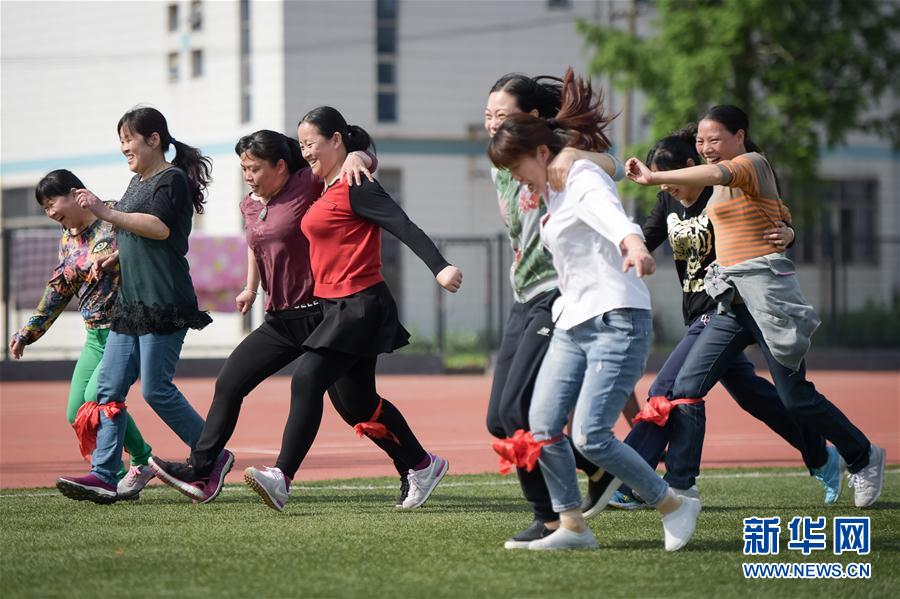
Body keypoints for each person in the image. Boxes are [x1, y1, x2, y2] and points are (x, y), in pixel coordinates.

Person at [626, 105, 885, 508]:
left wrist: (653, 175)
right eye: (701, 140)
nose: (708, 148)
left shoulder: (749, 164)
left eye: (715, 140)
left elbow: (721, 176)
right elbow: (774, 215)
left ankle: (862, 454)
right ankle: (678, 487)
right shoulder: (694, 193)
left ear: (740, 136)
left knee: (794, 398)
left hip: (767, 299)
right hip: (727, 304)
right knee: (690, 390)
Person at [488, 68, 700, 551]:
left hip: (616, 321)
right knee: (542, 426)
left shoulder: (577, 175)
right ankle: (573, 527)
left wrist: (634, 244)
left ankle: (672, 503)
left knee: (591, 435)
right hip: (572, 322)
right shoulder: (554, 190)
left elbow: (611, 213)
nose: (518, 180)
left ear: (542, 154)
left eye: (519, 169)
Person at [149, 131, 415, 505]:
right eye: (244, 168)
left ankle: (413, 465)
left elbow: (353, 141)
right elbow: (256, 246)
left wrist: (360, 156)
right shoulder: (250, 204)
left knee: (355, 406)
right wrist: (250, 287)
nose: (248, 175)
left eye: (255, 168)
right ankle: (203, 469)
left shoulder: (307, 182)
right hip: (280, 319)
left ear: (281, 166)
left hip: (324, 315)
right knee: (230, 382)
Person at [592, 130, 839, 513]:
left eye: (671, 177)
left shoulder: (721, 192)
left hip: (725, 308)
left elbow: (772, 213)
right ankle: (822, 456)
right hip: (698, 315)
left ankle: (630, 480)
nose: (668, 186)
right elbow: (643, 237)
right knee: (755, 397)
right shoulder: (667, 202)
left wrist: (788, 233)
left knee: (667, 388)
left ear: (692, 168)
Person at [241, 107, 462, 512]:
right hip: (334, 306)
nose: (305, 151)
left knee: (306, 379)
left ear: (337, 140)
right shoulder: (325, 187)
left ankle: (282, 477)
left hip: (360, 305)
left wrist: (440, 267)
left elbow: (404, 225)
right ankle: (421, 464)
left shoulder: (356, 184)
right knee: (357, 405)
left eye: (312, 143)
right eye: (302, 143)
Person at [483, 72, 637, 549]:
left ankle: (552, 519)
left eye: (503, 116)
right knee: (498, 418)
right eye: (487, 116)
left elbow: (611, 166)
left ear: (531, 119)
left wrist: (570, 153)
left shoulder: (559, 154)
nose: (492, 124)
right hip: (524, 295)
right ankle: (595, 467)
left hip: (558, 292)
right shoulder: (501, 161)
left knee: (517, 411)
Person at [56, 106, 219, 504]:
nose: (124, 148)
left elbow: (159, 228)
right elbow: (136, 233)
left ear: (154, 139)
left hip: (164, 300)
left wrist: (106, 212)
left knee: (156, 390)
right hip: (129, 305)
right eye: (121, 141)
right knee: (108, 391)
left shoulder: (172, 179)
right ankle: (104, 475)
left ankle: (211, 458)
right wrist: (115, 256)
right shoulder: (137, 182)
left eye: (129, 139)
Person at [10, 169, 154, 498]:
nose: (50, 212)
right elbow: (59, 289)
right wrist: (28, 333)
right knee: (76, 409)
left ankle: (138, 461)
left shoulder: (114, 215)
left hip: (126, 330)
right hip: (94, 337)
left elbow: (155, 248)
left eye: (52, 202)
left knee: (97, 399)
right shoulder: (68, 237)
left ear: (76, 193)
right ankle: (116, 472)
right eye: (44, 208)